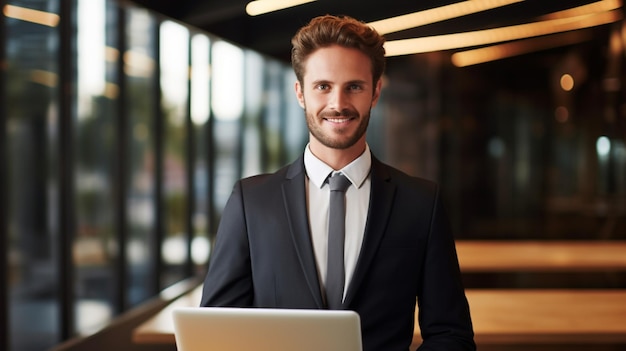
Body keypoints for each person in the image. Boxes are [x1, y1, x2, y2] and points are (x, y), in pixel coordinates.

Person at [200, 14, 475, 351]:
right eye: (323, 86)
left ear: (375, 92)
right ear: (300, 93)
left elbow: (451, 335)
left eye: (354, 87)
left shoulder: (421, 203)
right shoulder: (251, 201)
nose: (338, 104)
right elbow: (214, 331)